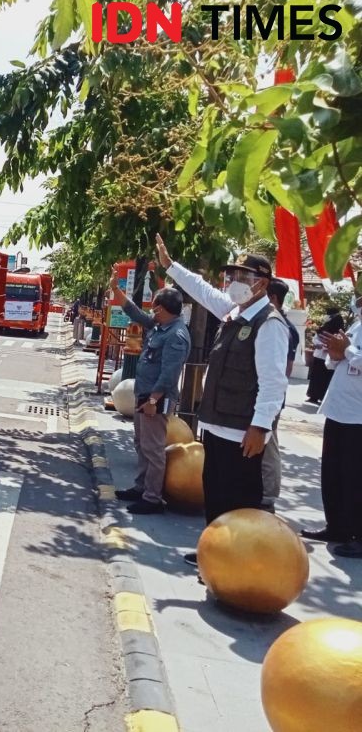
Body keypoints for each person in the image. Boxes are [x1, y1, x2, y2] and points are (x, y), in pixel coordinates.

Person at [155, 235, 288, 566]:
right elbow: (201, 290)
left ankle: (233, 567)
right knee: (214, 495)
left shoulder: (269, 323)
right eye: (233, 277)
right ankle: (212, 555)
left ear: (262, 284)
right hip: (216, 425)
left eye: (244, 278)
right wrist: (171, 266)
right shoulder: (234, 313)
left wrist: (260, 427)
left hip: (242, 433)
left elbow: (273, 382)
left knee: (238, 502)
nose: (235, 283)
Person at [109, 276, 192, 514]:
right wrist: (116, 289)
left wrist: (153, 400)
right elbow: (135, 313)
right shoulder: (160, 326)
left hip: (156, 398)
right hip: (144, 394)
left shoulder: (176, 335)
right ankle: (141, 487)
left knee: (154, 449)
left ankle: (152, 498)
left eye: (154, 306)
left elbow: (169, 375)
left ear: (161, 309)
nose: (151, 311)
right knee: (142, 444)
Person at [303, 290, 362, 557]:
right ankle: (336, 525)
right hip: (338, 411)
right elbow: (335, 361)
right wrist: (335, 353)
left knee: (355, 478)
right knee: (333, 474)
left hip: (358, 416)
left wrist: (346, 350)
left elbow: (353, 355)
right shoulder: (357, 324)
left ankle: (358, 535)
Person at [259, 279, 300, 512]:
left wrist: (271, 399)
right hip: (261, 397)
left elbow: (286, 368)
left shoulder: (281, 326)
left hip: (270, 399)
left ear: (272, 297)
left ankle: (267, 495)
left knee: (267, 444)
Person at [306, 306, 344, 403]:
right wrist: (318, 344)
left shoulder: (337, 327)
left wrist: (326, 347)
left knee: (325, 378)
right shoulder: (325, 326)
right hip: (319, 355)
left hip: (329, 357)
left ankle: (322, 397)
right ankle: (313, 396)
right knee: (315, 376)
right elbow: (317, 337)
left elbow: (338, 341)